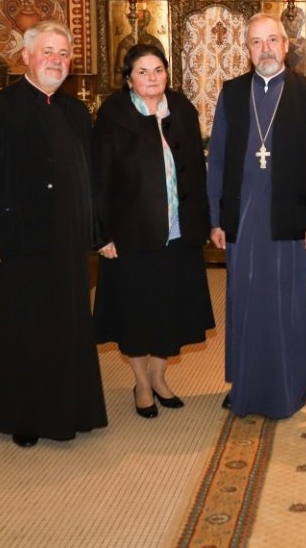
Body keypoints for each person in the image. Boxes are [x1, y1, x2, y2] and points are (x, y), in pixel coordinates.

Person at [0, 21, 107, 448]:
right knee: (21, 330)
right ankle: (22, 417)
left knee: (66, 327)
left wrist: (98, 233)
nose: (56, 61)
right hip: (15, 243)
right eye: (48, 52)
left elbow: (90, 181)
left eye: (63, 54)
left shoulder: (76, 113)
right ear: (25, 57)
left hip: (65, 244)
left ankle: (71, 411)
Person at [209, 14, 306, 418]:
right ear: (248, 49)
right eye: (256, 42)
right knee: (244, 301)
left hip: (290, 213)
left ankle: (290, 384)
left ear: (285, 45)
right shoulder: (232, 93)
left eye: (271, 40)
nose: (265, 49)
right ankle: (246, 383)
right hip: (243, 215)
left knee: (287, 303)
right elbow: (219, 162)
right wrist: (216, 218)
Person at [92, 44, 215, 420]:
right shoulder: (113, 114)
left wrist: (204, 221)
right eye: (142, 71)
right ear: (128, 77)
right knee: (137, 314)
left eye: (158, 70)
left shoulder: (181, 109)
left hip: (179, 231)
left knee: (170, 312)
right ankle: (142, 383)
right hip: (131, 234)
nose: (152, 78)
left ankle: (160, 378)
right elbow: (98, 179)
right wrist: (101, 234)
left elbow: (196, 168)